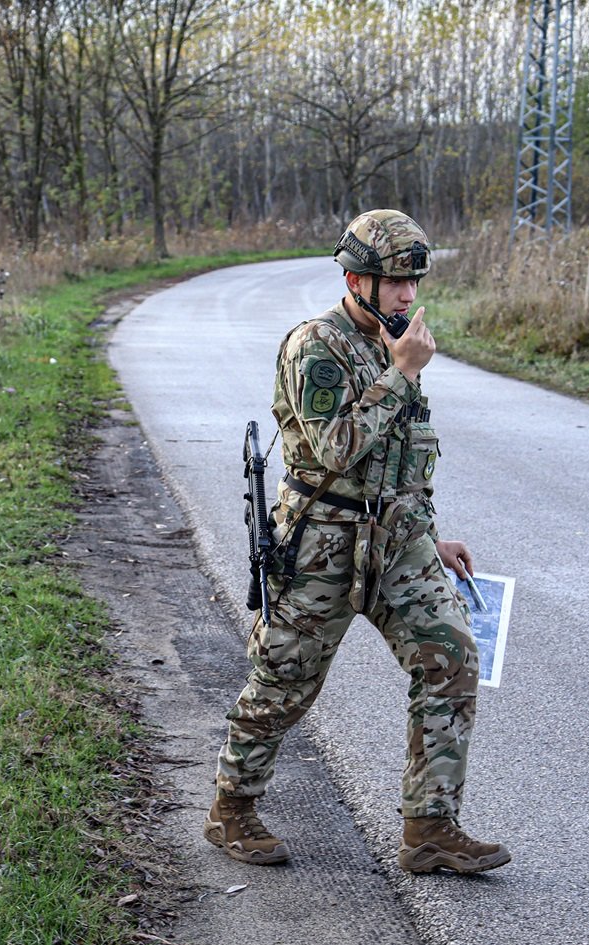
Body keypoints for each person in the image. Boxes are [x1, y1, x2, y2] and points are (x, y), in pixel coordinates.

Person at [205, 209, 511, 875]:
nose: (407, 294)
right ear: (355, 281)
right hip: (323, 542)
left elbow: (404, 458)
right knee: (285, 680)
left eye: (413, 282)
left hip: (397, 540)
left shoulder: (395, 343)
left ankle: (430, 829)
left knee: (451, 657)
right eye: (394, 282)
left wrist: (432, 534)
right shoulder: (317, 345)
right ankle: (232, 809)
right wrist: (401, 372)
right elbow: (337, 449)